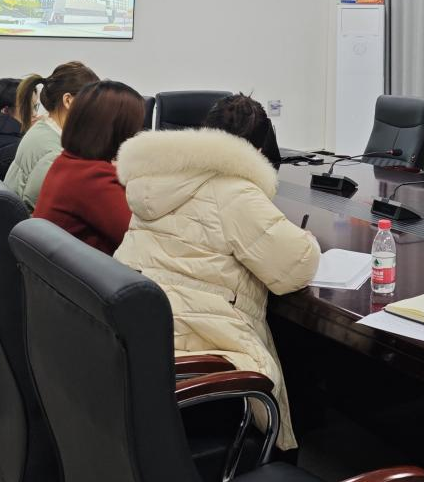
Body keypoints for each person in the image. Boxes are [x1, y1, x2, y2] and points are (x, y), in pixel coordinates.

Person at [114, 94, 319, 451]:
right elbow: (294, 268)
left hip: (145, 333)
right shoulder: (235, 191)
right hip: (201, 340)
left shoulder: (159, 178)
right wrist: (309, 241)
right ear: (258, 150)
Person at [33, 80, 143, 254]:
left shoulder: (68, 162)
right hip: (95, 270)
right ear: (119, 131)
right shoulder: (93, 178)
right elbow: (139, 240)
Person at [4, 61, 99, 210]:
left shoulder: (42, 128)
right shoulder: (56, 156)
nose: (97, 109)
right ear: (68, 100)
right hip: (33, 224)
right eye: (93, 100)